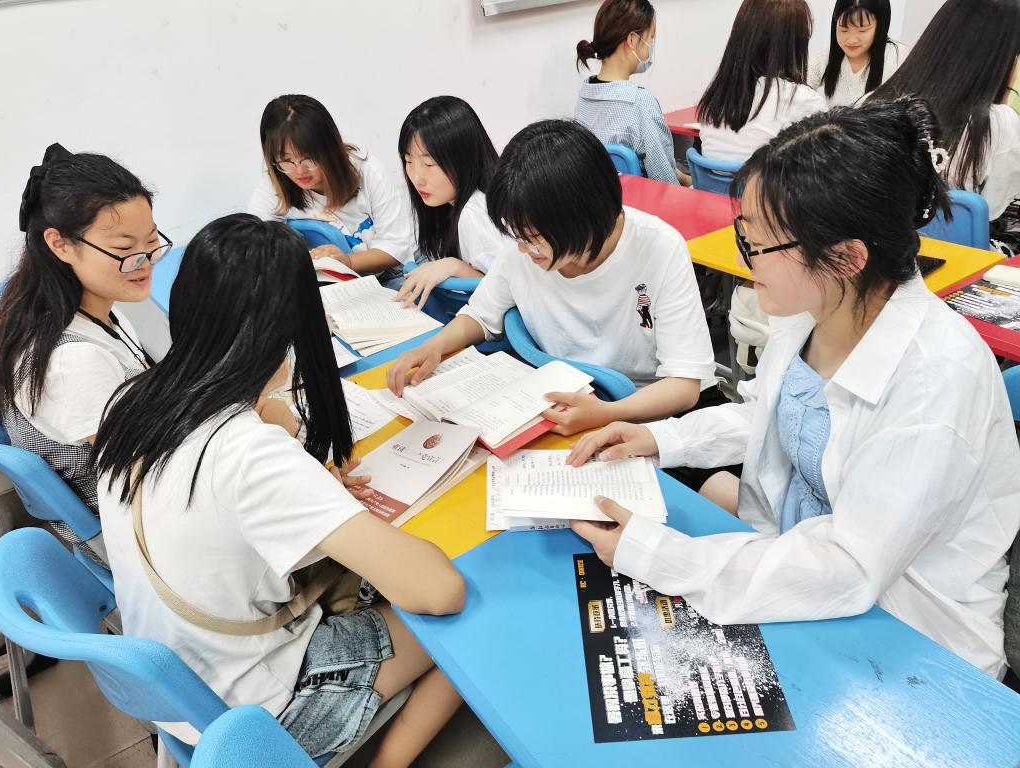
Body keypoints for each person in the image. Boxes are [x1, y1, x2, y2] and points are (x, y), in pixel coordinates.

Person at [568, 97, 1020, 679]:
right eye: (745, 234)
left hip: (911, 632)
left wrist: (656, 554)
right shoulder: (817, 310)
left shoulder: (934, 383)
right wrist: (659, 439)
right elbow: (771, 412)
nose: (746, 259)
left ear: (846, 257)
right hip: (801, 568)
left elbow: (847, 568)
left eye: (757, 245)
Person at [93, 214, 466, 765]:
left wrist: (289, 450)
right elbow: (440, 592)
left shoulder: (133, 398)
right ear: (290, 327)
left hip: (183, 690)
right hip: (257, 719)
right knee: (463, 623)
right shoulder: (249, 456)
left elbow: (267, 428)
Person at [388, 120, 716, 438]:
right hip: (573, 405)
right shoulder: (524, 246)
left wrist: (607, 413)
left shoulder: (659, 247)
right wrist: (434, 347)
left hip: (653, 414)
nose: (522, 248)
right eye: (516, 234)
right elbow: (481, 315)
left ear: (585, 217)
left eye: (532, 237)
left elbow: (684, 385)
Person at [0, 144, 167, 554]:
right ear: (60, 244)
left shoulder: (93, 308)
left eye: (151, 241)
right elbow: (149, 476)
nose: (144, 261)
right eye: (124, 250)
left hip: (147, 495)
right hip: (139, 534)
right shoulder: (71, 360)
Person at [871, 0, 1020, 222]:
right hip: (953, 244)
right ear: (1001, 62)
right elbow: (989, 211)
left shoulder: (875, 102)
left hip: (872, 240)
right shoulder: (997, 125)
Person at [247, 94, 414, 287]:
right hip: (332, 284)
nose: (299, 171)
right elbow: (252, 239)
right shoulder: (276, 183)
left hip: (392, 275)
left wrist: (347, 261)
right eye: (286, 161)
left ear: (330, 148)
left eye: (308, 158)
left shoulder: (369, 173)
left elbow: (396, 247)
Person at [394, 95, 513, 310]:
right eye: (408, 161)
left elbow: (511, 292)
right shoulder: (451, 204)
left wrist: (455, 267)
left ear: (462, 159)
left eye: (429, 164)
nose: (417, 177)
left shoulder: (475, 211)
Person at [697, 0, 826, 163]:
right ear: (795, 43)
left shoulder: (715, 98)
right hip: (766, 179)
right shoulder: (805, 101)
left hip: (712, 181)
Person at [574, 0, 685, 184]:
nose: (651, 45)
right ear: (632, 40)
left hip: (599, 199)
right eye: (651, 38)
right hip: (641, 201)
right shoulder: (640, 103)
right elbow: (665, 182)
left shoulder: (584, 97)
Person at [808, 0, 905, 107]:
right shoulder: (824, 58)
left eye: (862, 30)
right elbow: (799, 90)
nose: (852, 40)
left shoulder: (896, 57)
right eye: (844, 30)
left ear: (880, 27)